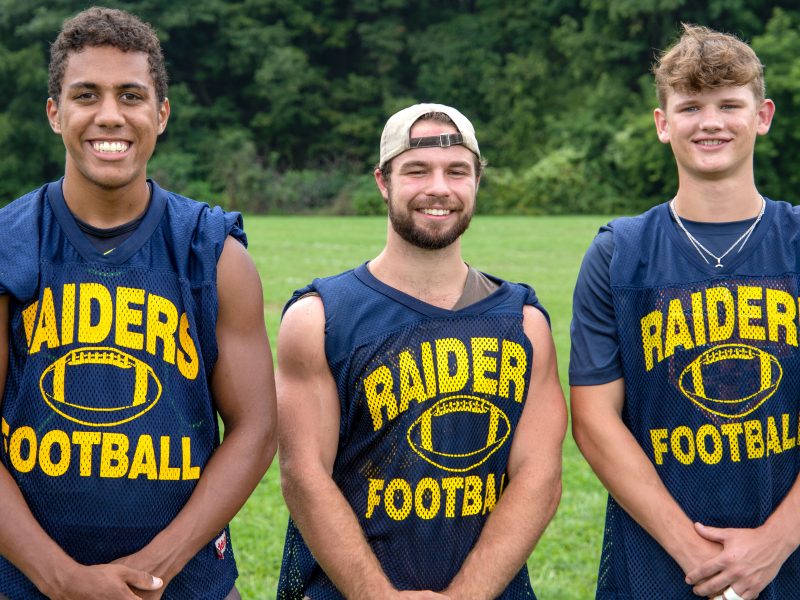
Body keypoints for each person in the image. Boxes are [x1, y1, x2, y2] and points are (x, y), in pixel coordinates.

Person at [0, 7, 276, 599]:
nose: (109, 115)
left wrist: (156, 567)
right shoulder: (8, 244)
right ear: (54, 113)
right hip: (24, 580)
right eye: (86, 95)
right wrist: (62, 578)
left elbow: (255, 429)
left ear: (161, 114)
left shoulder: (213, 252)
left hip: (187, 581)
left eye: (131, 96)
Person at [275, 103, 566, 599]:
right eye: (416, 170)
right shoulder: (320, 318)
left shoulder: (523, 323)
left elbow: (539, 477)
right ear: (383, 181)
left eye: (457, 171)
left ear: (477, 181)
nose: (439, 188)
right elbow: (304, 475)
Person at [569, 23, 800, 600]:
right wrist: (692, 552)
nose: (710, 122)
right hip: (656, 560)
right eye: (691, 107)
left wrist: (775, 541)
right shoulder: (618, 253)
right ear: (663, 123)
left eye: (729, 105)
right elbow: (595, 420)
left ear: (762, 115)